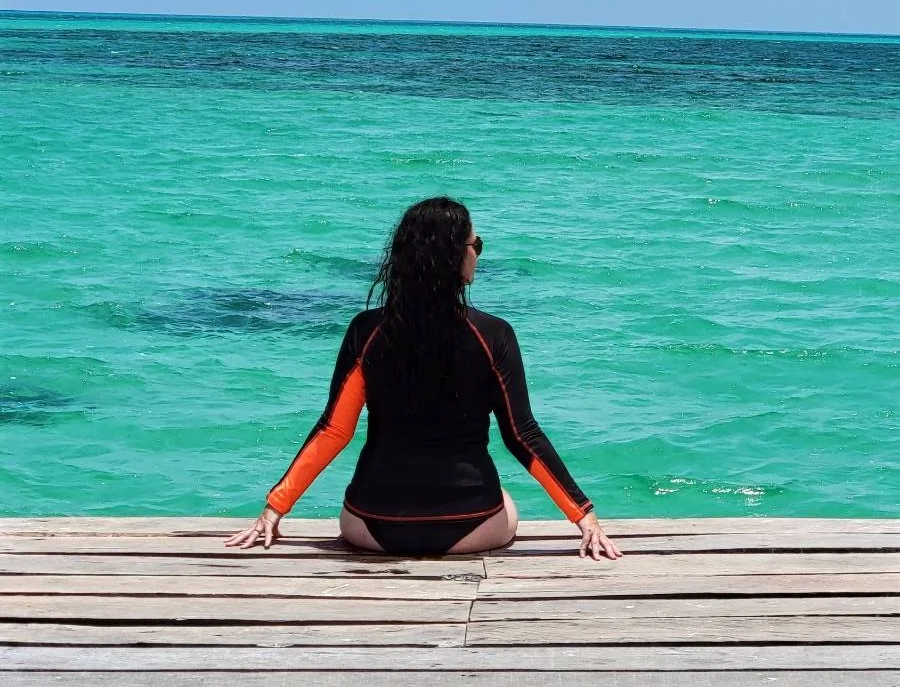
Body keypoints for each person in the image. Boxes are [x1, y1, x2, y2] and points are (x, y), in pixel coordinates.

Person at [226, 197, 622, 561]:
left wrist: (274, 508)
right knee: (505, 499)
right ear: (456, 257)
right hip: (472, 524)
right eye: (476, 245)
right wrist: (583, 515)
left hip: (371, 525)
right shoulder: (493, 334)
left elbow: (333, 431)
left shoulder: (367, 331)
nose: (479, 256)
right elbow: (521, 435)